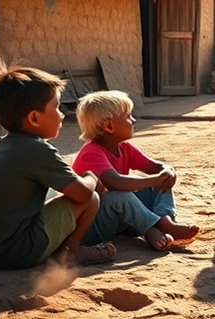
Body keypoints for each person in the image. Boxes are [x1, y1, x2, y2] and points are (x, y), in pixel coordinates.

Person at [0, 64, 114, 269]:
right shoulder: (38, 150)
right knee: (91, 197)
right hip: (12, 253)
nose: (62, 115)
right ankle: (72, 252)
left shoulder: (3, 146)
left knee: (54, 193)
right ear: (34, 118)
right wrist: (92, 176)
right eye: (57, 107)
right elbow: (83, 195)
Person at [71, 90, 200, 250]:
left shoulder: (124, 148)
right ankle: (152, 229)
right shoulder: (90, 152)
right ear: (109, 126)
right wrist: (156, 178)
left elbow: (155, 167)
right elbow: (116, 183)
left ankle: (165, 221)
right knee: (118, 196)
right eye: (128, 116)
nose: (133, 120)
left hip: (120, 220)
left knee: (159, 185)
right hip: (93, 225)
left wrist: (167, 171)